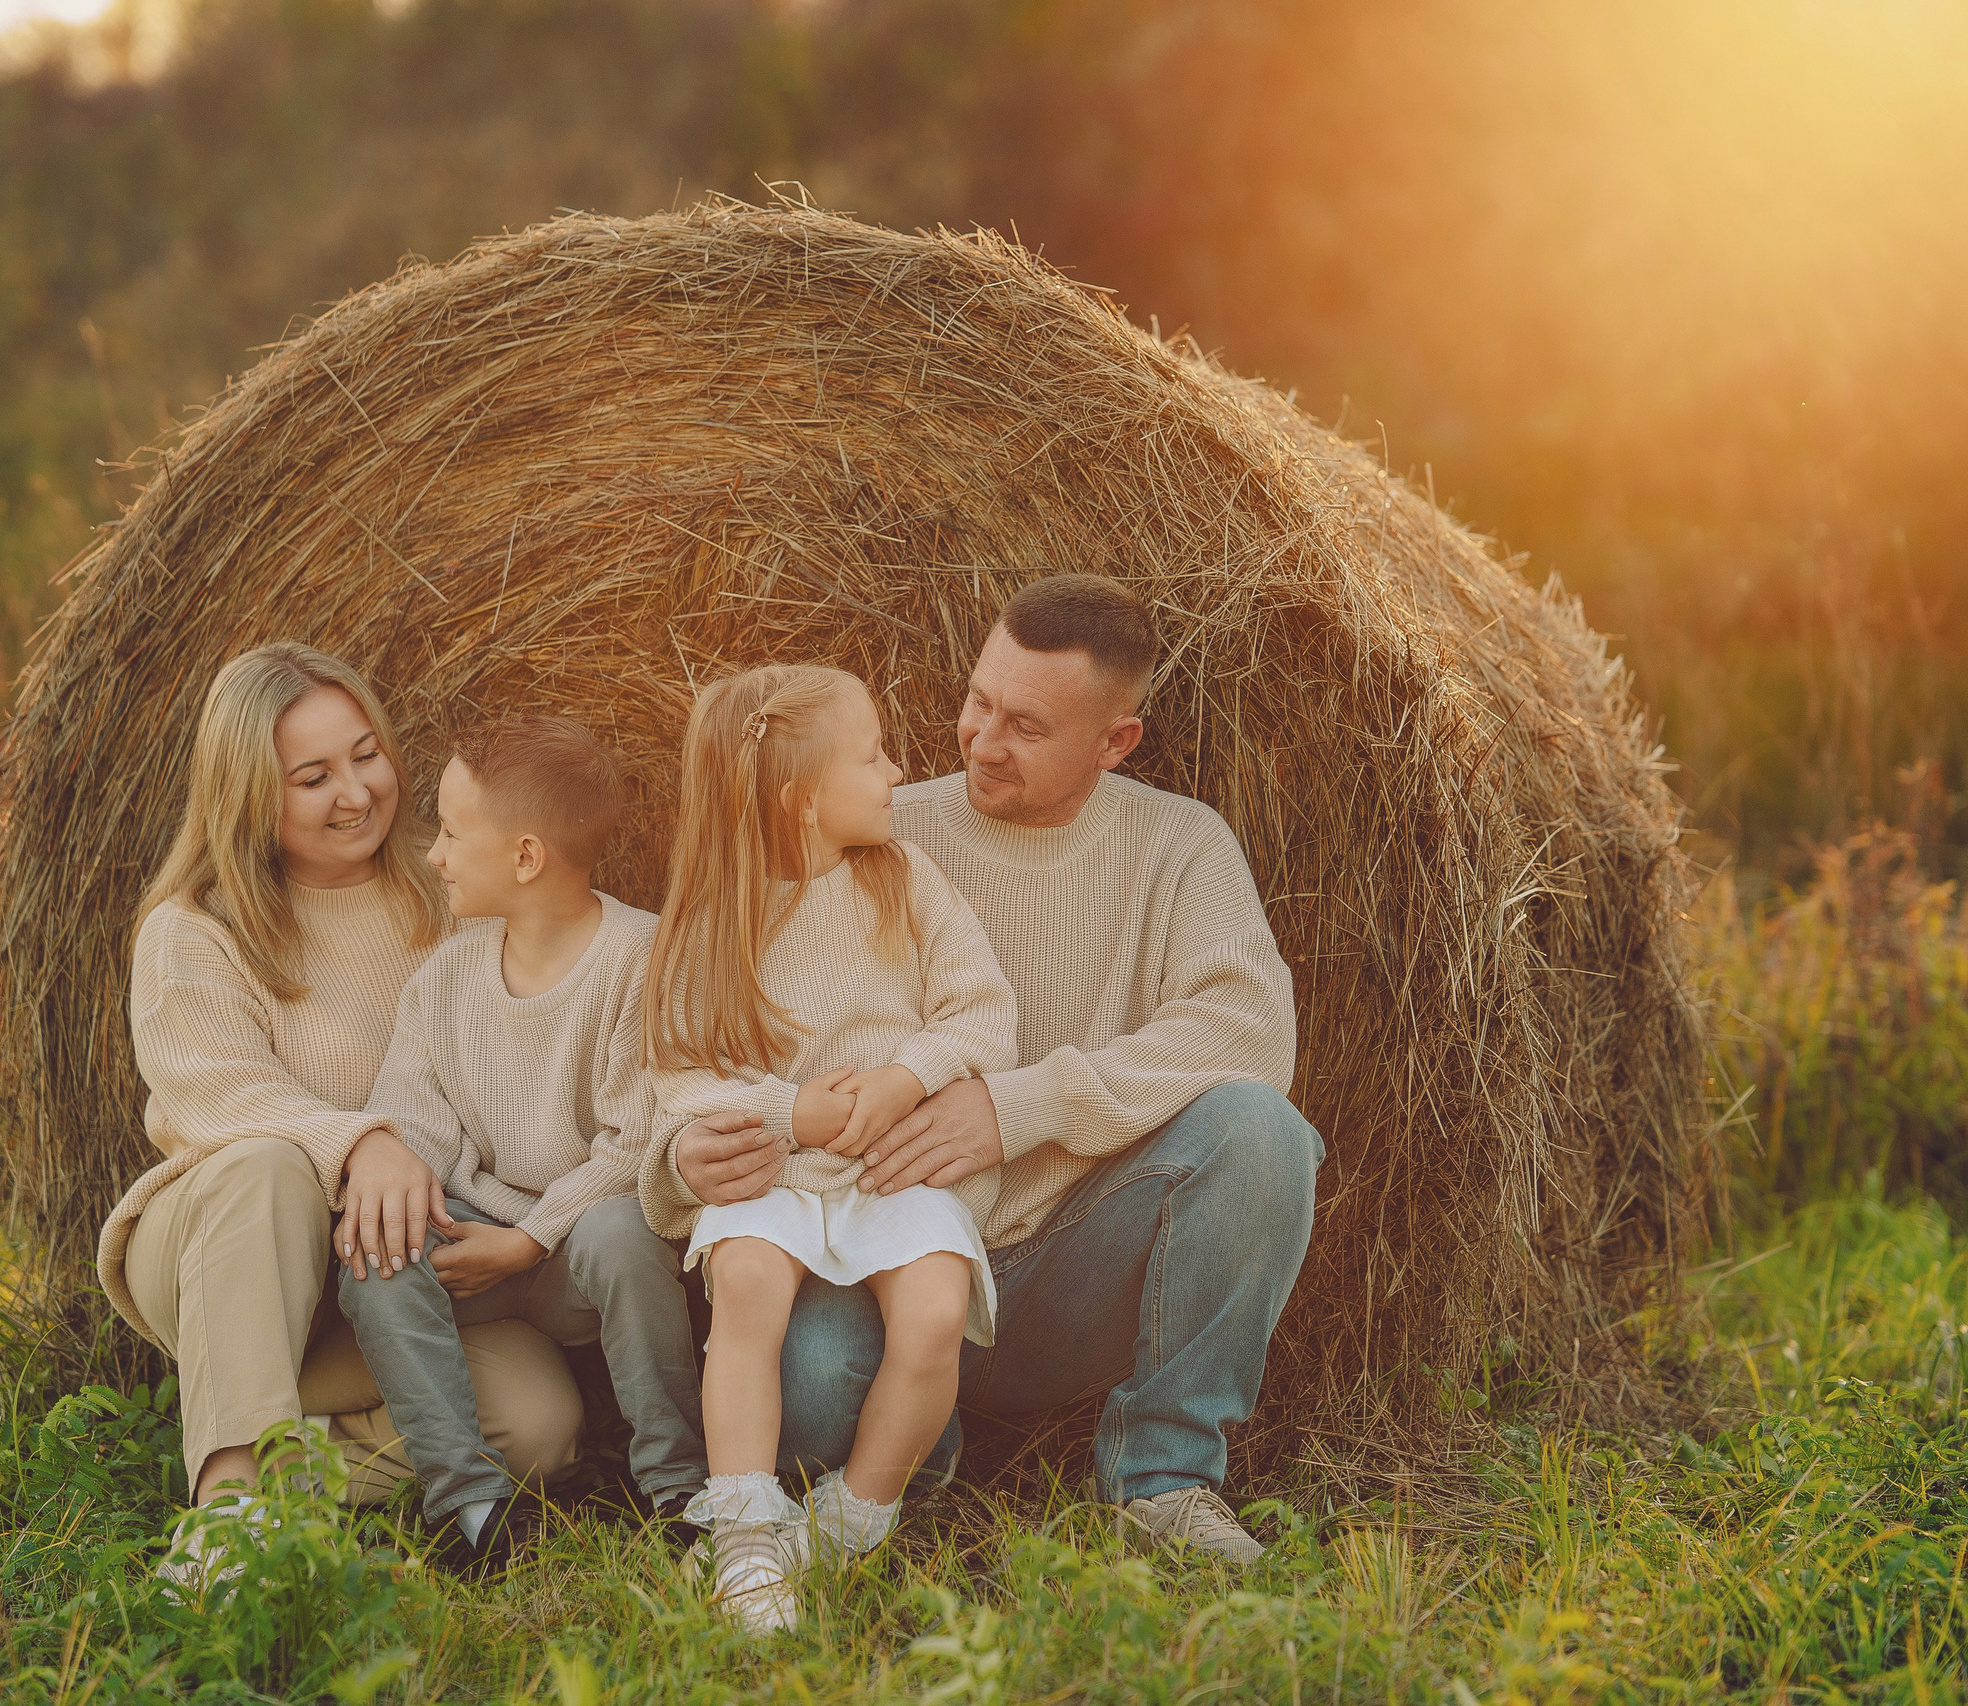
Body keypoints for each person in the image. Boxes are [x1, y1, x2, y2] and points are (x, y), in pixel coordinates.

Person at [653, 576, 1320, 1569]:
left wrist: (1018, 1107)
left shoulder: (1180, 845)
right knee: (808, 1387)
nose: (979, 740)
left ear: (1115, 741)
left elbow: (1249, 1030)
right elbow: (698, 1022)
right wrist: (687, 1158)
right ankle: (916, 1455)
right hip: (877, 1247)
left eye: (1026, 726)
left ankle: (1163, 1477)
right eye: (978, 700)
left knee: (1262, 1134)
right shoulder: (875, 828)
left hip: (1067, 1261)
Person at [97, 642, 583, 1592]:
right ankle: (227, 1517)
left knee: (539, 1423)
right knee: (268, 1160)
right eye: (313, 777)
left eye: (367, 755)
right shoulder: (195, 928)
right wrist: (363, 1143)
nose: (356, 793)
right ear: (248, 794)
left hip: (387, 1282)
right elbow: (219, 1094)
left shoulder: (454, 897)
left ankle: (272, 1445)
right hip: (228, 1254)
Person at [635, 664, 1018, 1634]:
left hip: (892, 1162)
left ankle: (848, 1520)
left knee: (936, 1310)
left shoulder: (904, 879)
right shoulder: (709, 921)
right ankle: (745, 1533)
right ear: (801, 798)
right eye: (873, 755)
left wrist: (907, 1076)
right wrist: (785, 1112)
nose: (897, 772)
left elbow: (982, 1012)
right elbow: (679, 1078)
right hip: (777, 1169)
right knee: (747, 1285)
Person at [342, 715, 707, 1565]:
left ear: (526, 857)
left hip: (575, 1252)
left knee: (623, 1233)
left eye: (452, 833)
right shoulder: (446, 977)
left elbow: (636, 1145)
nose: (433, 855)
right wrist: (404, 1191)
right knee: (377, 1250)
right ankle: (470, 1502)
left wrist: (532, 1238)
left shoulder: (642, 959)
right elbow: (413, 1111)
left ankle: (682, 1488)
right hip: (476, 1238)